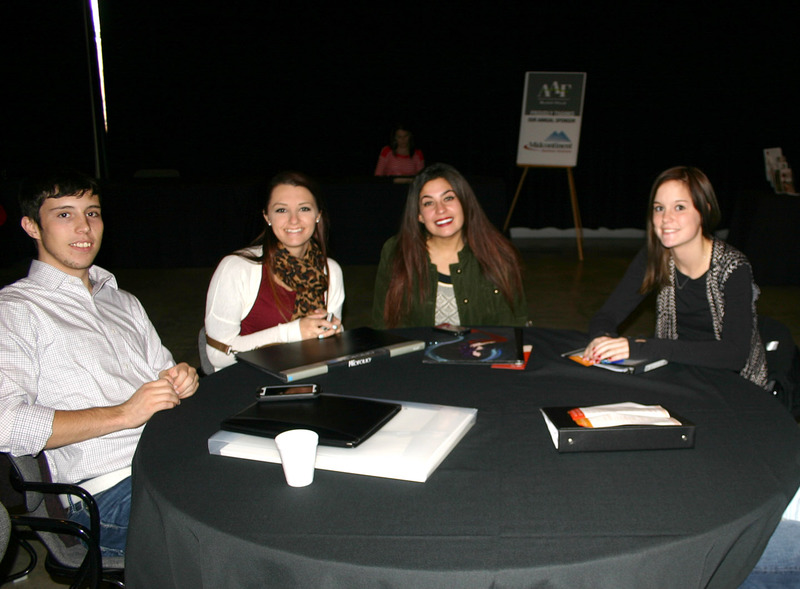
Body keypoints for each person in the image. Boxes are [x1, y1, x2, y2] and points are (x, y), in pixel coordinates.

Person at [0, 169, 199, 556]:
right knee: (238, 530)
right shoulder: (16, 310)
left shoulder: (121, 300)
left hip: (171, 463)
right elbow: (5, 422)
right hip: (105, 492)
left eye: (92, 213)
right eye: (63, 214)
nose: (83, 228)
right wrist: (124, 414)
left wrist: (180, 380)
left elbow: (163, 374)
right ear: (31, 226)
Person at [583, 166, 768, 388]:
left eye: (679, 207)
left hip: (733, 383)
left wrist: (642, 347)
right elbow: (607, 315)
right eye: (659, 208)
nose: (666, 219)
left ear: (704, 211)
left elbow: (734, 355)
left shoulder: (734, 268)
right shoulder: (655, 257)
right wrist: (601, 339)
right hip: (674, 373)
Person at [204, 171, 344, 372]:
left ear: (318, 215)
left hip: (306, 380)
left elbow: (328, 353)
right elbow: (218, 356)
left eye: (304, 208)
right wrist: (292, 333)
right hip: (246, 384)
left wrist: (335, 335)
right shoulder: (237, 268)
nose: (293, 220)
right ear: (266, 216)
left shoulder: (330, 271)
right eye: (281, 210)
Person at [372, 163, 528, 328]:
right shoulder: (397, 251)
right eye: (428, 203)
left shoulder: (499, 253)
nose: (441, 210)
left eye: (448, 198)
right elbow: (383, 323)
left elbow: (516, 325)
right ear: (419, 215)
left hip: (487, 353)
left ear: (464, 202)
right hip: (418, 354)